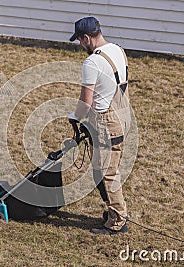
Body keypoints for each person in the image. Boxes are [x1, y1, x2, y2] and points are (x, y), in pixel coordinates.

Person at [69, 17, 131, 235]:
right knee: (101, 169)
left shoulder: (92, 62)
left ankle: (118, 220)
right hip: (121, 116)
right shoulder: (118, 50)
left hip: (106, 122)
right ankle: (116, 210)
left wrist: (74, 118)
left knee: (107, 173)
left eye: (79, 41)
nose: (79, 45)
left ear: (87, 38)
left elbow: (86, 102)